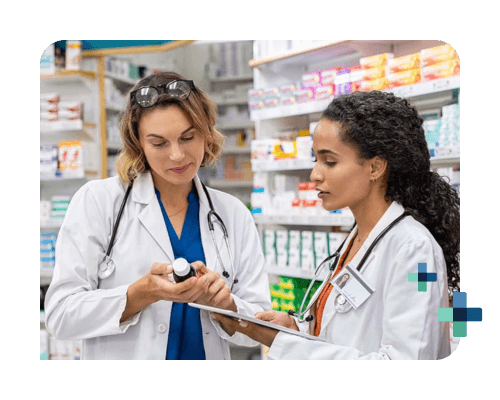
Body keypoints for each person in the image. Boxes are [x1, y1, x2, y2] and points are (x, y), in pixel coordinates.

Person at [212, 90, 460, 360]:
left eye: (330, 162)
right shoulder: (358, 237)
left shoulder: (415, 251)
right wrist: (295, 328)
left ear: (375, 167)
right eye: (315, 160)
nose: (315, 174)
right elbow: (345, 331)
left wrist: (287, 345)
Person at [44, 71, 271, 360]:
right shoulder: (98, 202)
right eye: (159, 143)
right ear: (138, 143)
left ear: (207, 133)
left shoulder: (232, 214)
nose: (177, 155)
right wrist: (139, 294)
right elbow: (61, 315)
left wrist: (228, 306)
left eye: (188, 137)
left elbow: (258, 326)